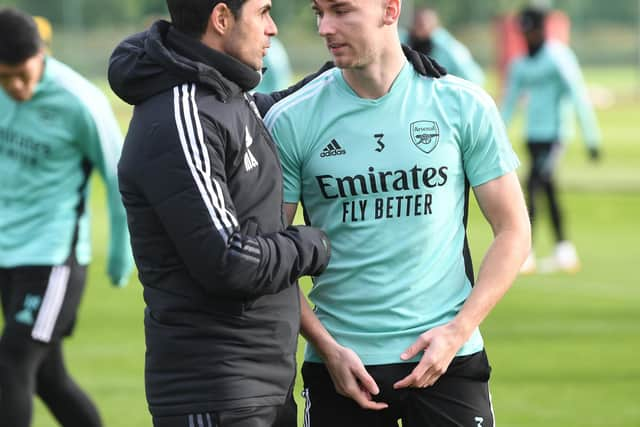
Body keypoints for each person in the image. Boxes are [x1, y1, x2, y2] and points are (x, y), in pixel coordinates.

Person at [264, 0, 531, 425]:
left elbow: (513, 230)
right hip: (342, 368)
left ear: (390, 10)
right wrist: (327, 348)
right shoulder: (291, 120)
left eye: (341, 11)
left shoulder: (462, 105)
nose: (324, 27)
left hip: (449, 360)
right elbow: (268, 256)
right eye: (319, 12)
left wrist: (458, 331)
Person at [107, 1, 336, 426]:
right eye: (263, 12)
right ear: (222, 18)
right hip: (216, 393)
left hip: (255, 386)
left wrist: (364, 65)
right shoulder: (181, 116)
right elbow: (230, 261)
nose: (273, 29)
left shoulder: (223, 95)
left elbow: (283, 106)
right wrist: (314, 245)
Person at [0, 7, 133, 427]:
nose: (16, 87)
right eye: (4, 78)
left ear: (41, 53)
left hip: (53, 258)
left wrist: (122, 251)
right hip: (8, 254)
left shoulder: (80, 102)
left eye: (22, 74)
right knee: (49, 378)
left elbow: (119, 178)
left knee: (11, 363)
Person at [501, 6, 602, 274]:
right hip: (532, 135)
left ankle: (526, 252)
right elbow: (509, 104)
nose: (527, 37)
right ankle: (564, 250)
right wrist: (496, 135)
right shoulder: (520, 64)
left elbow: (578, 96)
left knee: (533, 184)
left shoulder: (558, 58)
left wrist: (591, 137)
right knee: (547, 189)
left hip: (556, 136)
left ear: (540, 29)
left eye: (530, 31)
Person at [409, 7, 485, 86]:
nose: (421, 25)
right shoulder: (408, 41)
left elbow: (473, 78)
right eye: (417, 22)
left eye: (423, 23)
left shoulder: (448, 48)